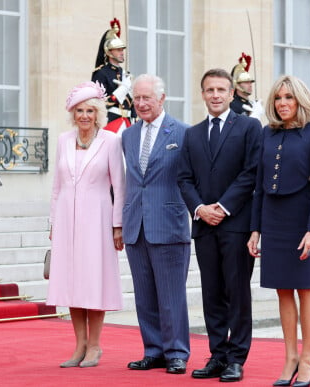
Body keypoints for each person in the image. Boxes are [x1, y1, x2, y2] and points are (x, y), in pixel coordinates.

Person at [178, 68, 261, 382]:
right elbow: (184, 178)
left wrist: (223, 208)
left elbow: (251, 173)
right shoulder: (192, 133)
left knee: (237, 292)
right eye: (209, 90)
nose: (215, 95)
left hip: (236, 225)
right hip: (204, 226)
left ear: (231, 93)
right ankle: (217, 354)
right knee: (212, 293)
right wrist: (200, 208)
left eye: (221, 90)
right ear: (202, 94)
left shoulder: (250, 127)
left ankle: (236, 358)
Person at [247, 75, 310, 387]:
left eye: (289, 98)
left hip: (301, 220)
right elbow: (258, 187)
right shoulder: (267, 135)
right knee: (282, 289)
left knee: (304, 288)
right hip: (274, 219)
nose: (283, 103)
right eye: (279, 98)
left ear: (300, 100)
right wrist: (255, 229)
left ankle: (306, 358)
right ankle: (290, 356)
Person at [46, 81, 125, 368]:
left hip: (98, 219)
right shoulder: (63, 140)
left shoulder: (111, 141)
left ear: (98, 114)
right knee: (71, 282)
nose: (84, 116)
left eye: (90, 110)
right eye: (80, 110)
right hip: (67, 219)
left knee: (94, 281)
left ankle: (95, 345)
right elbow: (57, 186)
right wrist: (53, 222)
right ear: (73, 113)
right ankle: (78, 345)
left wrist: (118, 226)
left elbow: (120, 186)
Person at [122, 74, 191, 375]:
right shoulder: (127, 135)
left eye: (146, 97)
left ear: (162, 99)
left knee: (171, 295)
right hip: (136, 225)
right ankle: (153, 350)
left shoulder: (184, 133)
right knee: (144, 294)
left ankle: (176, 351)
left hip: (169, 225)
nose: (140, 103)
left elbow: (192, 179)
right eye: (136, 98)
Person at [92, 18, 135, 134]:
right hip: (110, 123)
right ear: (109, 52)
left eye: (122, 50)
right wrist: (122, 90)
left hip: (128, 123)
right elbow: (98, 104)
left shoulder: (126, 74)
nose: (122, 53)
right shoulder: (101, 73)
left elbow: (132, 104)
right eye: (118, 50)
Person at [229, 52, 264, 120]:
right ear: (237, 85)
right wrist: (254, 116)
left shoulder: (251, 104)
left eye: (250, 82)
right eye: (246, 82)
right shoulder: (232, 105)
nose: (250, 85)